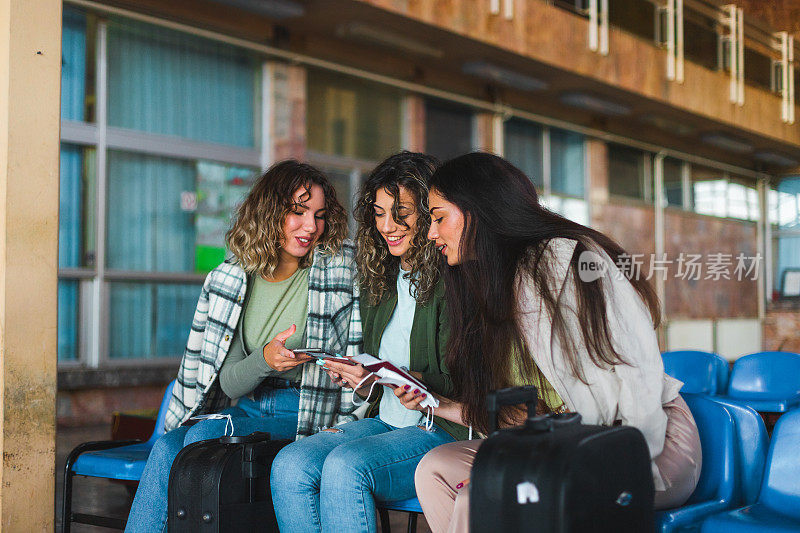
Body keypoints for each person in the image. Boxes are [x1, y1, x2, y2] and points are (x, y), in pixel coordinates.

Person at [408, 152, 702, 533]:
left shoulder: (568, 259)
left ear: (479, 210)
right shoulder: (492, 284)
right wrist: (440, 403)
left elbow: (633, 377)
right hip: (558, 440)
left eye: (438, 217)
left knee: (479, 496)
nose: (430, 233)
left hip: (640, 441)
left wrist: (615, 463)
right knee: (435, 469)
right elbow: (525, 414)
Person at [125, 160, 362, 533]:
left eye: (318, 215)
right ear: (269, 212)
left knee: (202, 439)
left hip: (307, 408)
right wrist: (265, 358)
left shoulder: (337, 270)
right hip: (253, 407)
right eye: (297, 213)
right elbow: (232, 384)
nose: (310, 227)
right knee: (169, 445)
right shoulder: (235, 278)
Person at [270, 151, 469, 533]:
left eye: (402, 213)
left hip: (440, 430)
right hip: (387, 422)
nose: (388, 225)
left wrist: (397, 377)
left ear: (430, 213)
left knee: (347, 468)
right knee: (290, 465)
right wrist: (364, 381)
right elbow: (379, 378)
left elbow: (459, 384)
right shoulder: (380, 278)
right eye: (378, 213)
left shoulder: (455, 280)